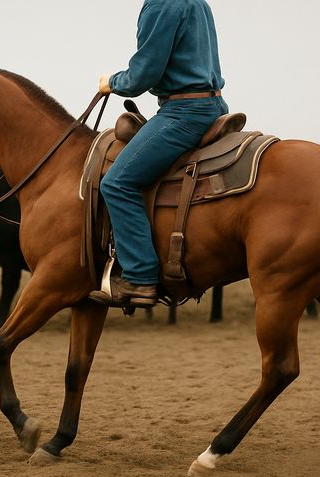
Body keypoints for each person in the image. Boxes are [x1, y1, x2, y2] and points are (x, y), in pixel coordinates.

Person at [89, 0, 229, 309]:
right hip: (212, 104)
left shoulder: (161, 4)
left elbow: (143, 75)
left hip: (183, 112)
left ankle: (139, 278)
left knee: (117, 183)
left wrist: (111, 83)